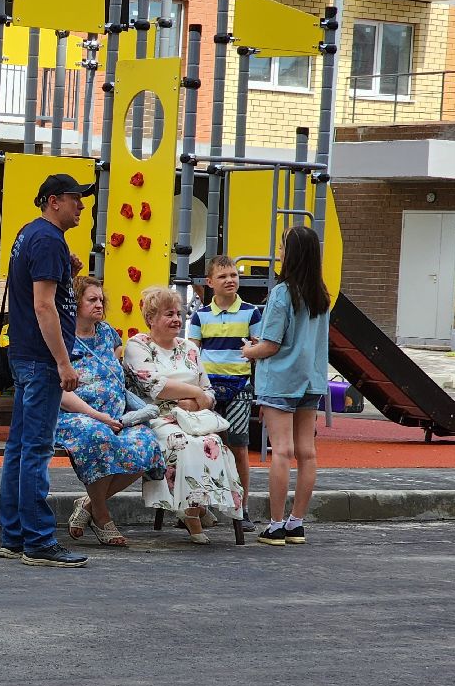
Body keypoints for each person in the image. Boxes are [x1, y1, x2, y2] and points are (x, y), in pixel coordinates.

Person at [0, 173, 93, 568]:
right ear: (54, 201)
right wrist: (63, 362)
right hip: (40, 359)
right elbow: (43, 305)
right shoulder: (50, 239)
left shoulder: (30, 233)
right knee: (36, 448)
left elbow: (36, 294)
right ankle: (38, 540)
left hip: (25, 355)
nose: (81, 207)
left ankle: (15, 536)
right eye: (76, 200)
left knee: (19, 447)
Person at [124, 285, 245, 544]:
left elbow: (209, 390)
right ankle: (191, 513)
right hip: (156, 415)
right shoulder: (138, 345)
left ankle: (197, 506)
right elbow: (155, 386)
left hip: (193, 414)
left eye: (179, 314)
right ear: (151, 319)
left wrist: (198, 402)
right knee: (181, 443)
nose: (177, 319)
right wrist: (194, 393)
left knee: (214, 443)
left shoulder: (189, 347)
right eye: (169, 314)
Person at [55, 275, 165, 548]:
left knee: (147, 443)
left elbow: (116, 367)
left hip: (116, 415)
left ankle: (90, 504)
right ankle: (102, 516)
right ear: (75, 302)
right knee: (98, 437)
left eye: (101, 299)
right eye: (91, 299)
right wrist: (98, 415)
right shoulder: (61, 336)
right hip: (75, 416)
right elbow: (60, 392)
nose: (99, 304)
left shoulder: (106, 333)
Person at [242, 225, 332, 547]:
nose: (279, 251)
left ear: (290, 253)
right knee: (307, 453)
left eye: (282, 246)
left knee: (281, 451)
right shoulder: (321, 294)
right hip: (311, 378)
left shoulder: (282, 292)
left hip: (280, 380)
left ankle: (276, 524)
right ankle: (297, 523)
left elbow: (270, 345)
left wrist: (248, 350)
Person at [188, 255, 263, 535]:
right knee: (206, 445)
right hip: (208, 388)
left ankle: (242, 508)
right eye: (222, 276)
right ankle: (200, 506)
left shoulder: (251, 313)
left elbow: (259, 350)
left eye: (233, 275)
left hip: (239, 387)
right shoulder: (200, 316)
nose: (230, 280)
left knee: (239, 446)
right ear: (210, 283)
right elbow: (192, 354)